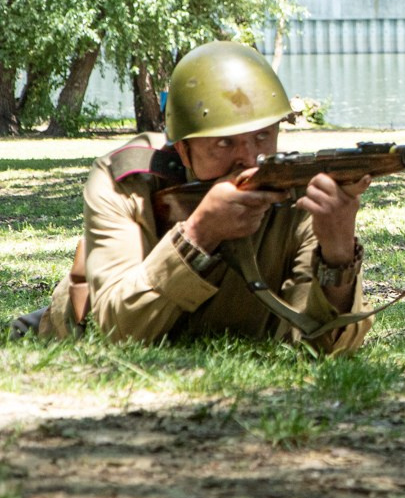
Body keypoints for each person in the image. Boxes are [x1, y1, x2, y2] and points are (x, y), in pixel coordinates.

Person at [16, 41, 372, 352]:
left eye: (263, 136)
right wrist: (199, 234)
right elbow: (117, 334)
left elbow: (321, 346)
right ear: (183, 151)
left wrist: (338, 253)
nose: (250, 159)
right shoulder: (127, 181)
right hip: (72, 328)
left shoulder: (299, 193)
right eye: (224, 142)